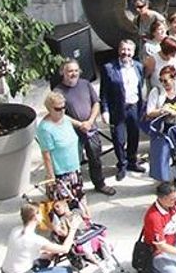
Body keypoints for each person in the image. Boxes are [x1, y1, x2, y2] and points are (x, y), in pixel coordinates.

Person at [2, 203, 81, 273]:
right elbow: (65, 249)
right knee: (67, 272)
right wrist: (73, 229)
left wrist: (46, 255)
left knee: (46, 260)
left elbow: (23, 251)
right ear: (35, 217)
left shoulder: (15, 230)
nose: (42, 216)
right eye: (40, 213)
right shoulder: (36, 239)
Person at [53, 59, 113, 195]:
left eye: (76, 70)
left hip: (91, 129)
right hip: (72, 133)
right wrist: (80, 124)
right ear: (62, 72)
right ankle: (74, 189)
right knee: (73, 162)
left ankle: (99, 184)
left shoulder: (85, 84)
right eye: (70, 71)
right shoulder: (58, 91)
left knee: (95, 158)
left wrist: (90, 121)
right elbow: (60, 114)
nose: (73, 73)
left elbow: (96, 103)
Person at [100, 39, 147, 180]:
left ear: (133, 52)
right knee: (119, 139)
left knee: (134, 136)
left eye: (129, 50)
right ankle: (122, 164)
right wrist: (105, 110)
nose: (126, 53)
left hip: (134, 107)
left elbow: (140, 85)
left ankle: (132, 161)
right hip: (117, 108)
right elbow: (103, 92)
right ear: (119, 50)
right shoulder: (109, 68)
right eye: (123, 49)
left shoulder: (138, 66)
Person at [36, 91, 90, 210]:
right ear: (49, 108)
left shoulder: (64, 118)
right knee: (64, 208)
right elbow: (46, 155)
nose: (62, 111)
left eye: (64, 107)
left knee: (79, 202)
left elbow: (74, 122)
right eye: (58, 109)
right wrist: (51, 177)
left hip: (74, 168)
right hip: (60, 174)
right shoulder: (45, 129)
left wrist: (83, 125)